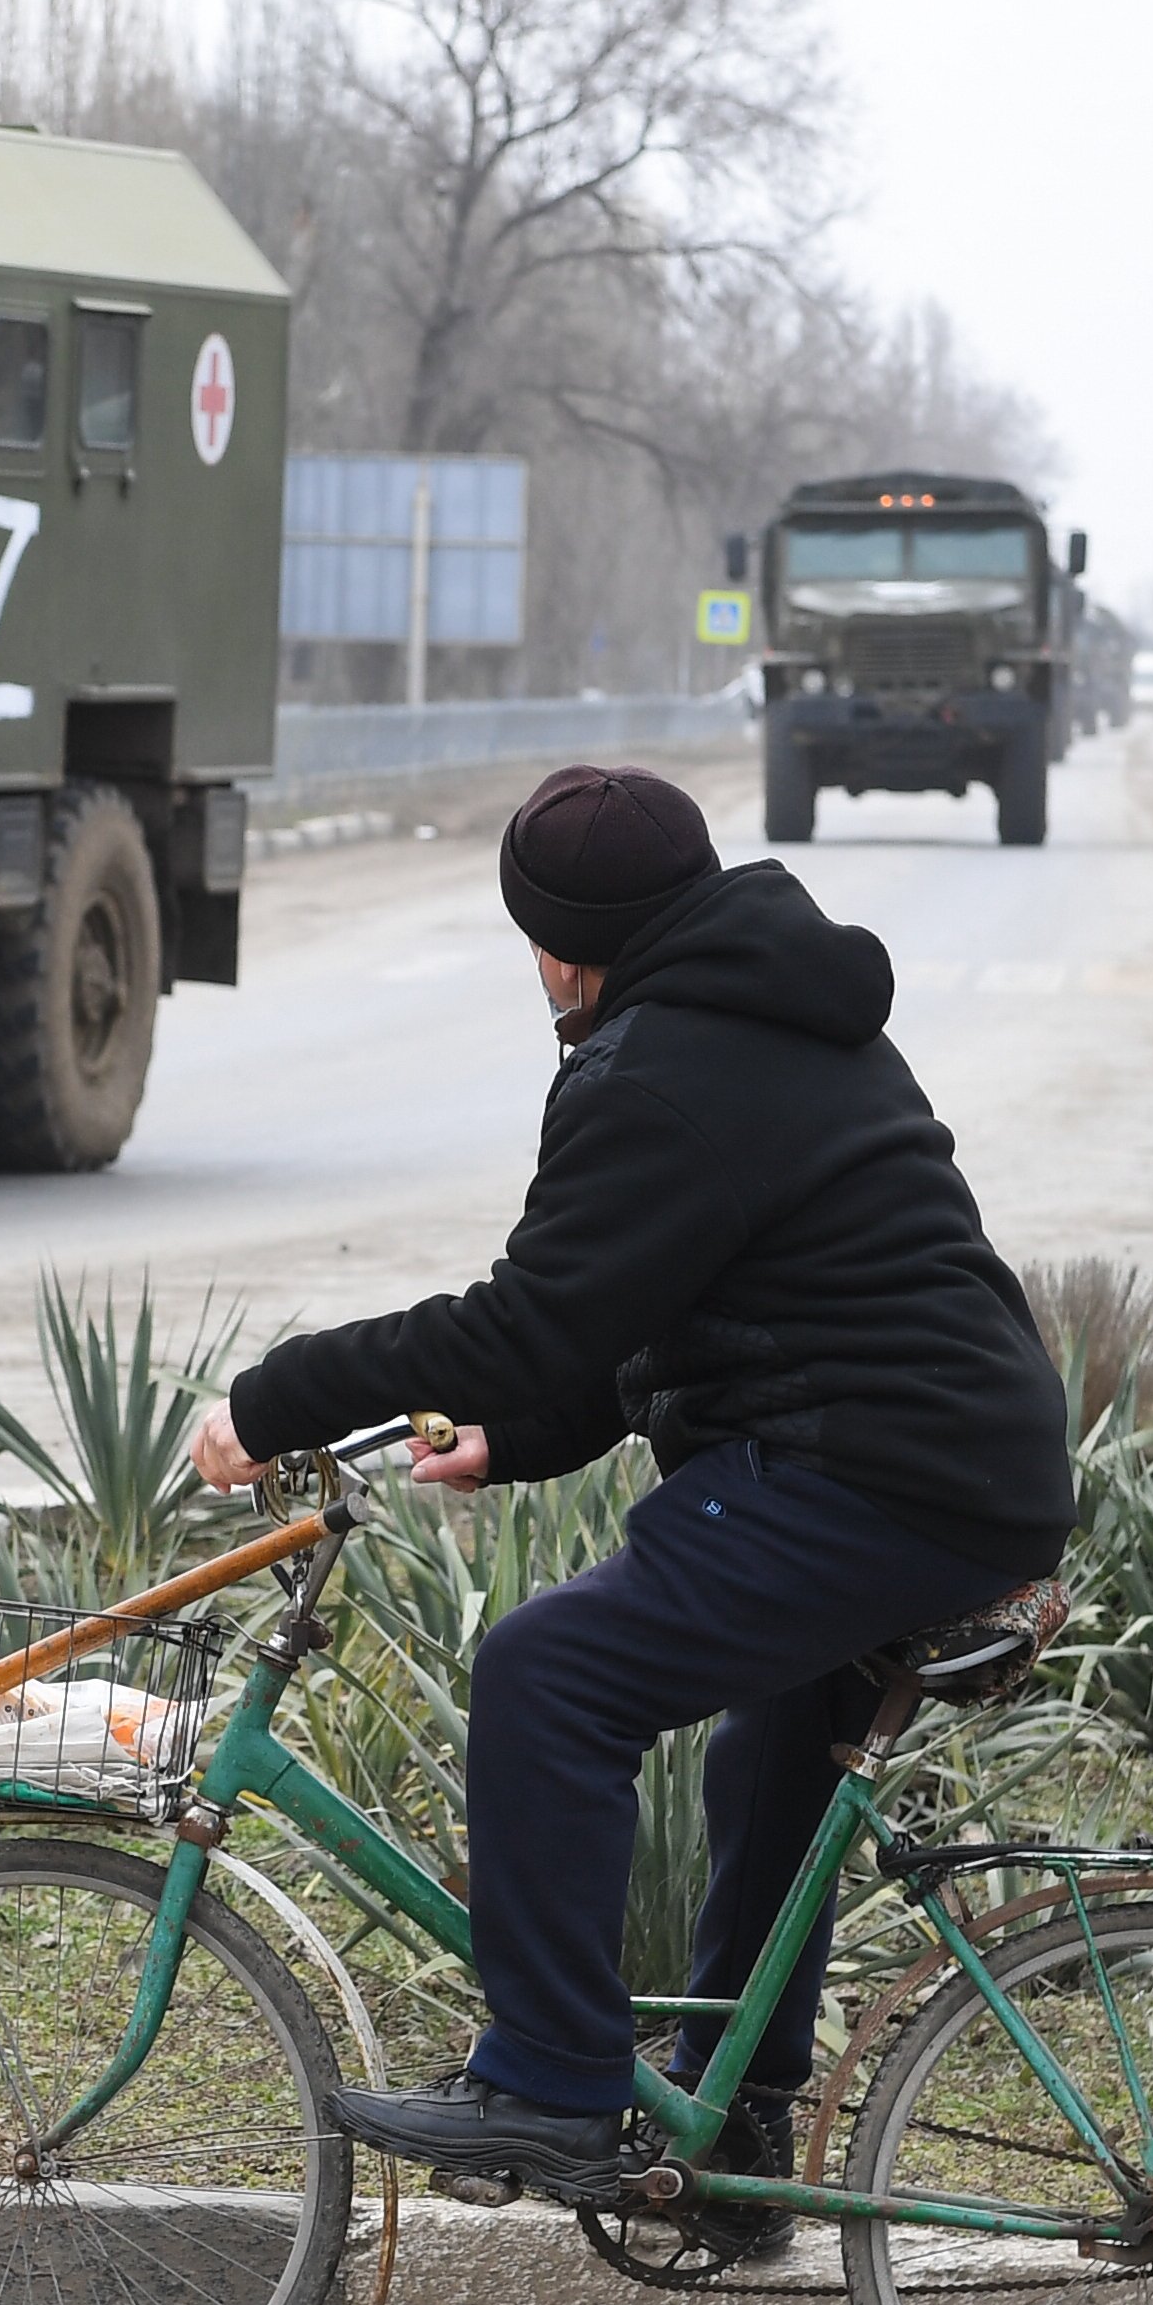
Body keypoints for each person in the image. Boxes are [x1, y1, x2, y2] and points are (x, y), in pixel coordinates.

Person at [188, 762, 1072, 2208]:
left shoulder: (659, 1066)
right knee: (767, 1752)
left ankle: (548, 2079)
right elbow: (670, 1304)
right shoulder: (771, 1013)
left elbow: (526, 1321)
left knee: (549, 1675)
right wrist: (519, 1437)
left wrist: (272, 1394)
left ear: (551, 945)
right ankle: (727, 2138)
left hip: (877, 1470)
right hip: (948, 1459)